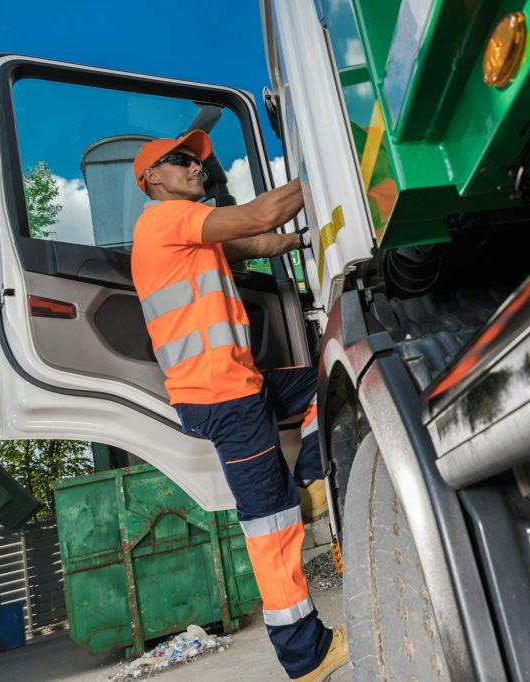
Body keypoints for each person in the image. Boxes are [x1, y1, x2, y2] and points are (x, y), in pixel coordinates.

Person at [129, 130, 347, 681]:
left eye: (195, 160)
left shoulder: (193, 237)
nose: (194, 167)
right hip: (222, 397)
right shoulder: (164, 220)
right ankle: (306, 656)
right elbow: (255, 217)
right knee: (270, 524)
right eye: (180, 160)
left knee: (328, 373)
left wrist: (301, 240)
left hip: (237, 385)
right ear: (151, 178)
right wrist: (331, 166)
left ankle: (313, 478)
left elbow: (260, 241)